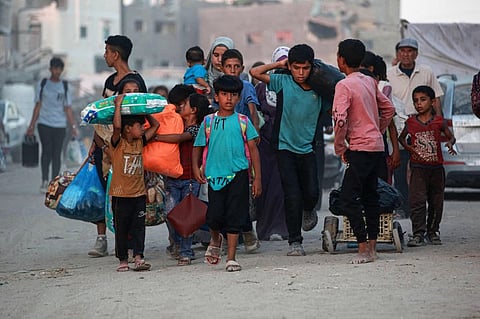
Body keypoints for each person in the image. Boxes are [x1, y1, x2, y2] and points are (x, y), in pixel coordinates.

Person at [250, 44, 324, 256]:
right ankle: (295, 241)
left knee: (311, 192)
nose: (300, 73)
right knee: (291, 194)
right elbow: (254, 73)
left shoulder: (320, 87)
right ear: (289, 66)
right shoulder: (282, 81)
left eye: (305, 68)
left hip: (308, 148)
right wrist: (280, 64)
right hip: (284, 148)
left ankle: (308, 210)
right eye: (296, 67)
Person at [332, 39, 395, 264]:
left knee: (348, 198)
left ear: (341, 59)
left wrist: (340, 147)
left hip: (359, 147)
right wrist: (377, 130)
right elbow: (388, 108)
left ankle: (362, 248)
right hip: (376, 147)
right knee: (370, 196)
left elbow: (340, 120)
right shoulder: (369, 81)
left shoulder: (344, 85)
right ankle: (372, 247)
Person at [192, 75, 262, 272]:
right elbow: (197, 147)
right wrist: (196, 168)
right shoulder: (207, 122)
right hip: (214, 176)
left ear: (239, 98)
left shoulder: (243, 121)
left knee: (235, 216)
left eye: (233, 95)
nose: (229, 99)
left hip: (239, 174)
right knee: (214, 216)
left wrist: (258, 178)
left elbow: (254, 151)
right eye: (224, 94)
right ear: (216, 97)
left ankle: (231, 258)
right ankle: (215, 238)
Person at [87, 35, 148, 258]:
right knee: (105, 192)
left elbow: (141, 117)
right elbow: (102, 117)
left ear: (116, 54)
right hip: (105, 146)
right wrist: (95, 143)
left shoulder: (135, 83)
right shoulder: (109, 82)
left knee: (127, 196)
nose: (105, 55)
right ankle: (103, 238)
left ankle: (130, 244)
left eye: (107, 51)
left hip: (126, 150)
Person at [387, 38, 444, 217]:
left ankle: (421, 207)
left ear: (416, 54)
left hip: (424, 127)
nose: (406, 54)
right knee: (401, 167)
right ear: (397, 54)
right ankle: (404, 207)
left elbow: (436, 100)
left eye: (410, 51)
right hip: (399, 126)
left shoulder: (426, 72)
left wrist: (438, 123)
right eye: (402, 51)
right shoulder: (389, 74)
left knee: (423, 169)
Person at [154, 92, 211, 266]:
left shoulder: (196, 128)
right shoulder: (178, 124)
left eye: (184, 105)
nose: (180, 107)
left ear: (193, 110)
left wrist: (157, 137)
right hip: (174, 178)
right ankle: (179, 245)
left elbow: (179, 138)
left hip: (190, 179)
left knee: (186, 216)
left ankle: (185, 251)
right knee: (170, 213)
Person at [107, 85, 159, 272]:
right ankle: (123, 259)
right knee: (122, 229)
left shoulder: (140, 141)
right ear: (128, 129)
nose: (143, 127)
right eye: (139, 125)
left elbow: (156, 126)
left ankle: (138, 257)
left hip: (138, 194)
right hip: (121, 195)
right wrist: (119, 105)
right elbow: (118, 126)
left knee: (139, 227)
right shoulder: (117, 143)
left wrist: (144, 112)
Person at [398, 85, 456, 247]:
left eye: (423, 100)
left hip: (436, 169)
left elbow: (450, 137)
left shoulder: (439, 121)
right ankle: (418, 233)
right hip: (418, 168)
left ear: (432, 102)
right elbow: (402, 139)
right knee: (417, 200)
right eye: (415, 101)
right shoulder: (411, 122)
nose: (419, 104)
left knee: (436, 201)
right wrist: (411, 149)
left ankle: (433, 231)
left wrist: (450, 145)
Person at [220, 48, 261, 252]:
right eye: (229, 66)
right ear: (222, 67)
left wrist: (254, 134)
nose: (233, 70)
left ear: (242, 68)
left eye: (236, 67)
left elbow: (252, 111)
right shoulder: (217, 88)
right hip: (222, 146)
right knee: (223, 192)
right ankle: (232, 234)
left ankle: (246, 230)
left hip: (242, 144)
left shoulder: (246, 87)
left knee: (241, 191)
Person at [253, 46, 290, 241]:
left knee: (281, 184)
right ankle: (264, 228)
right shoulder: (261, 87)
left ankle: (281, 227)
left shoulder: (294, 85)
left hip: (286, 140)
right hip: (265, 143)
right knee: (265, 185)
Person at [27, 57, 78, 193]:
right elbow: (38, 105)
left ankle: (53, 182)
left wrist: (73, 127)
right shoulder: (42, 84)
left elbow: (68, 108)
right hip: (44, 123)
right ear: (50, 69)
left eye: (59, 69)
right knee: (47, 151)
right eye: (54, 68)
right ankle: (44, 181)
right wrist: (31, 126)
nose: (56, 71)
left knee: (57, 154)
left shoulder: (65, 87)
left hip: (60, 125)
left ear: (61, 70)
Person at [360, 51, 401, 184]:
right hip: (371, 142)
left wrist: (395, 150)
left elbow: (390, 120)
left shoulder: (383, 87)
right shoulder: (357, 84)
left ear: (370, 68)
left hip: (373, 144)